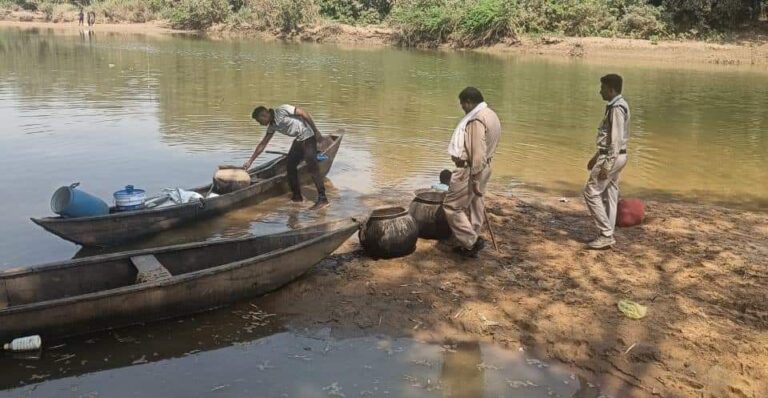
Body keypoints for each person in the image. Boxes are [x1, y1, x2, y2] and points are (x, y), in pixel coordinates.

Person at [442, 87, 501, 258]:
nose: (462, 108)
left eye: (463, 105)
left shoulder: (476, 120)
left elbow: (477, 152)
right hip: (485, 166)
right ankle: (473, 234)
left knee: (452, 206)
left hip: (470, 169)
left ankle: (471, 242)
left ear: (468, 102)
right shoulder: (491, 115)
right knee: (476, 203)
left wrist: (475, 178)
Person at [244, 104, 329, 210]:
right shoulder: (272, 126)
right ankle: (297, 197)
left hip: (308, 136)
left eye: (259, 121)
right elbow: (263, 143)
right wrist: (250, 161)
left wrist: (316, 132)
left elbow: (303, 113)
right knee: (290, 166)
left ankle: (323, 199)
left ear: (264, 115)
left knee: (312, 167)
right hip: (299, 139)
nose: (260, 124)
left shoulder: (282, 110)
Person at [583, 74, 631, 249]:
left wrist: (606, 165)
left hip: (613, 157)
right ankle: (607, 232)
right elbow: (609, 138)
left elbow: (615, 140)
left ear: (611, 90)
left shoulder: (616, 108)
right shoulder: (618, 105)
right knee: (610, 193)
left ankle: (606, 234)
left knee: (591, 192)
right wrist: (596, 156)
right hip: (617, 156)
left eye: (602, 88)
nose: (600, 91)